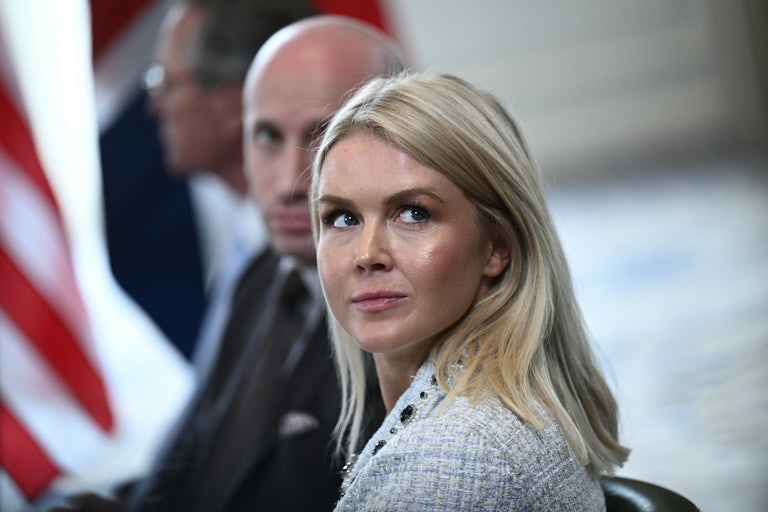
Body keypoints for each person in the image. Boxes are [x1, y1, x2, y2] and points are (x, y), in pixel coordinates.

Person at [51, 15, 407, 512]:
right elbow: (193, 466)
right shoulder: (256, 275)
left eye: (320, 136)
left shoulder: (406, 316)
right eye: (266, 136)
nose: (287, 182)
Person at [310, 72, 631, 510]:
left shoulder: (450, 457)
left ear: (497, 246)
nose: (367, 254)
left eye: (413, 213)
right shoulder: (490, 413)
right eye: (343, 218)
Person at [142, 0, 316, 366]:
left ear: (232, 107)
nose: (155, 106)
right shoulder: (241, 243)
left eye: (165, 83)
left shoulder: (307, 262)